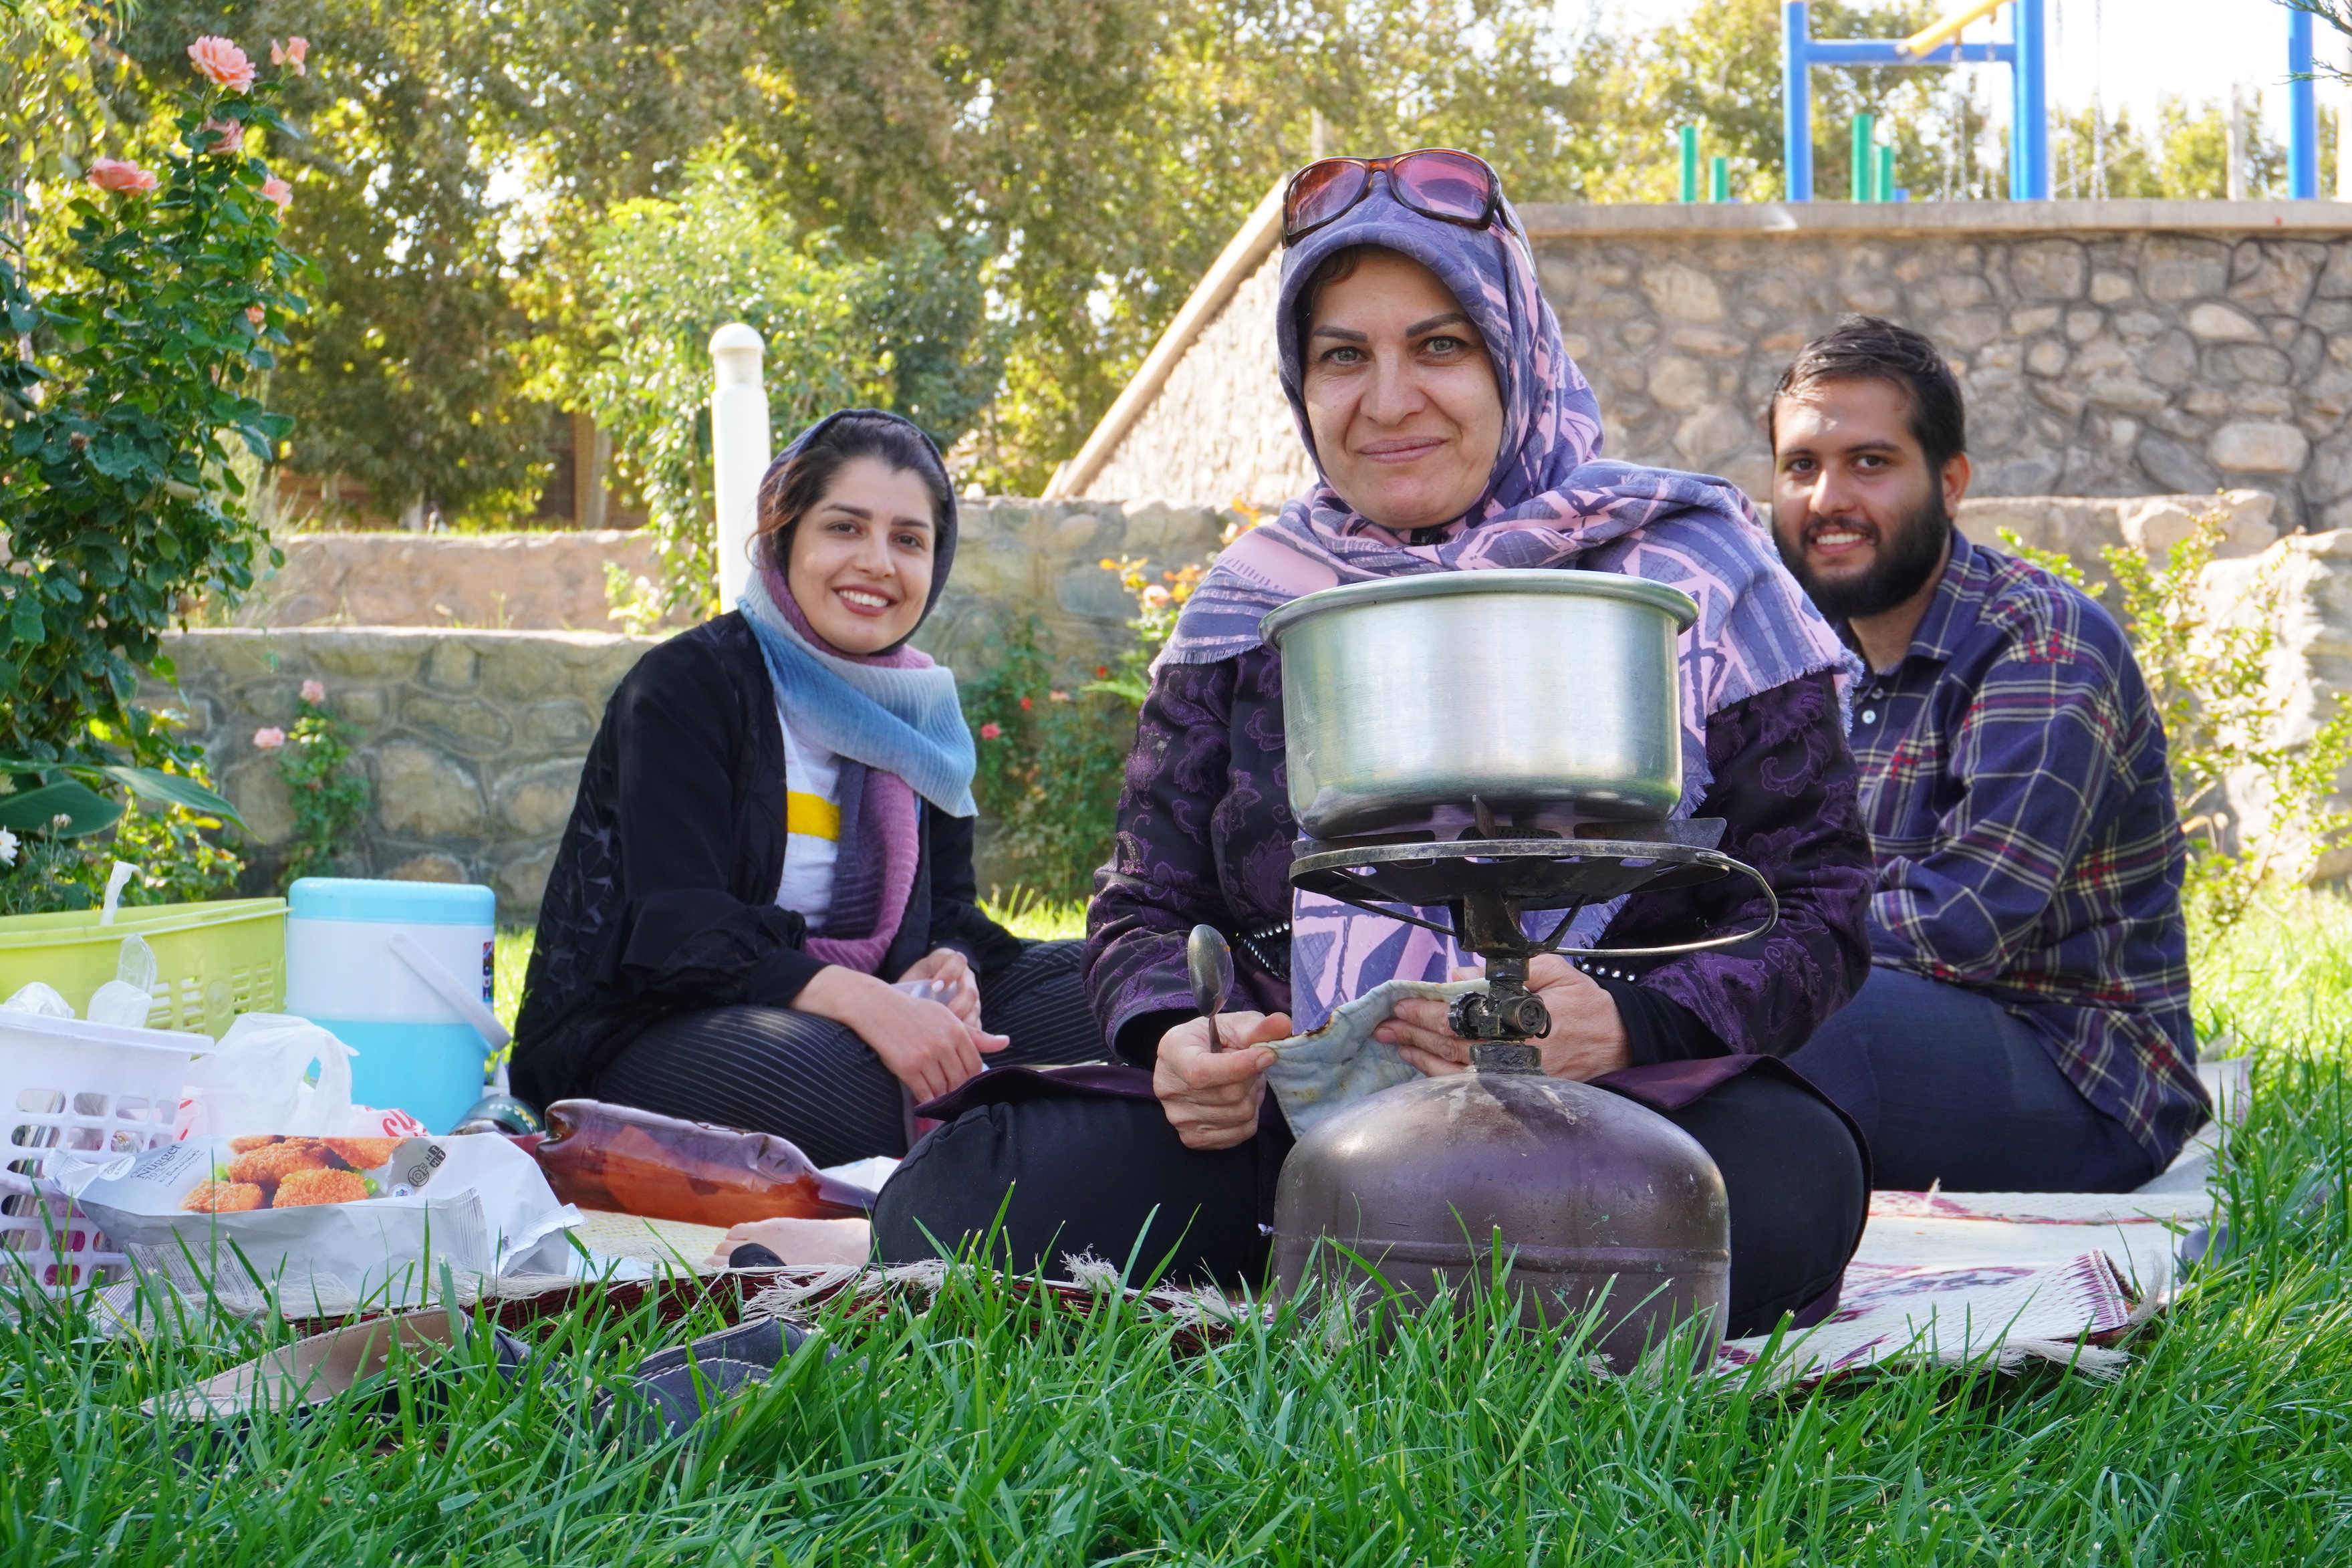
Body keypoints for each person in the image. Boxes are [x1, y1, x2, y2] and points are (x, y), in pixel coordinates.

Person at [872, 150, 1877, 1337]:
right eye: (1342, 356)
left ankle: (1362, 1261)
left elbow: (1815, 901)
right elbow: (1142, 900)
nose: (1387, 400)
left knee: (1788, 1172)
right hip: (1290, 1131)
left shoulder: (1686, 570)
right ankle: (1454, 1264)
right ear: (1300, 382)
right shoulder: (1252, 603)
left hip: (1605, 1112)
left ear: (1514, 353)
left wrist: (1627, 1017)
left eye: (1439, 346)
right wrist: (1176, 1038)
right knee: (960, 1195)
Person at [511, 410, 1104, 1168]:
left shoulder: (920, 713)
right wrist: (870, 1006)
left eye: (908, 540)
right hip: (664, 1023)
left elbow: (950, 906)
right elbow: (678, 933)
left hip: (871, 1007)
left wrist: (945, 965)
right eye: (845, 528)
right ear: (784, 537)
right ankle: (1059, 1147)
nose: (878, 564)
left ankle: (1007, 1139)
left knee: (1127, 996)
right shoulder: (689, 686)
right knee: (831, 1081)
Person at [1767, 317, 2208, 1193]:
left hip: (2077, 1071)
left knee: (1798, 1014)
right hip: (1908, 1021)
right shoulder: (1798, 649)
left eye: (1869, 462)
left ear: (1949, 481)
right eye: (1800, 467)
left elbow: (1965, 917)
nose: (1826, 499)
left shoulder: (2040, 644)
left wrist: (1737, 952)